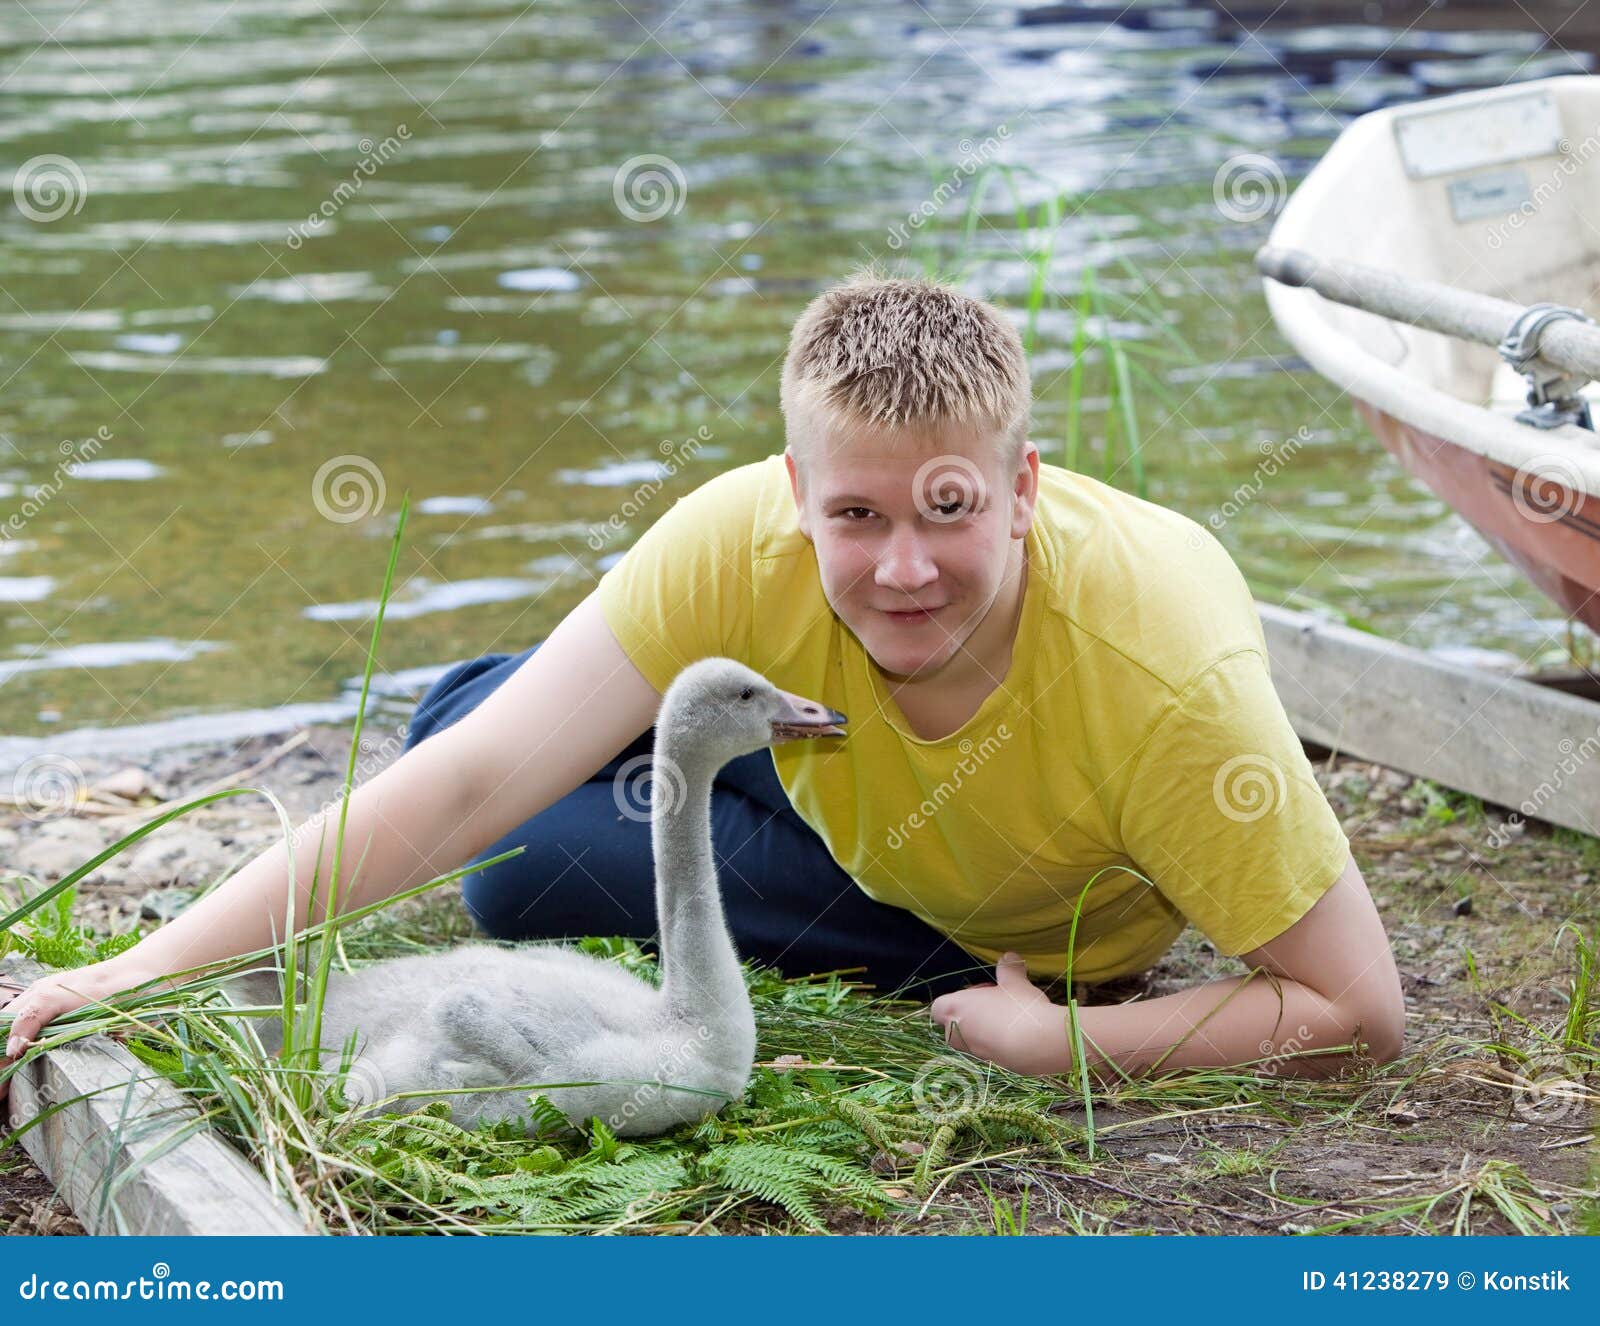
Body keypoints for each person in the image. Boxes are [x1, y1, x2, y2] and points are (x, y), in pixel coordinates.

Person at [0, 270, 1404, 1102]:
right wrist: (144, 967)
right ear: (796, 494)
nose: (904, 567)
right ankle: (520, 693)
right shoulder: (740, 532)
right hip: (827, 787)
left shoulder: (1165, 677)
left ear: (1025, 489)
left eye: (952, 508)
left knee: (514, 870)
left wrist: (1066, 1042)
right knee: (481, 767)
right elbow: (474, 779)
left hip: (1025, 921)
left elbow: (1357, 1008)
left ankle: (542, 705)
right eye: (856, 517)